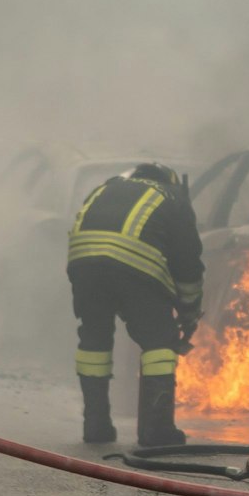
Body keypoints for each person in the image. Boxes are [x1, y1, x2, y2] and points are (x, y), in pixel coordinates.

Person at [66, 163, 204, 446]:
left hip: (83, 264)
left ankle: (95, 426)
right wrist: (189, 311)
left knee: (94, 339)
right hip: (133, 265)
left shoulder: (106, 187)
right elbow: (187, 263)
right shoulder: (173, 196)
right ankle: (156, 431)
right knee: (159, 343)